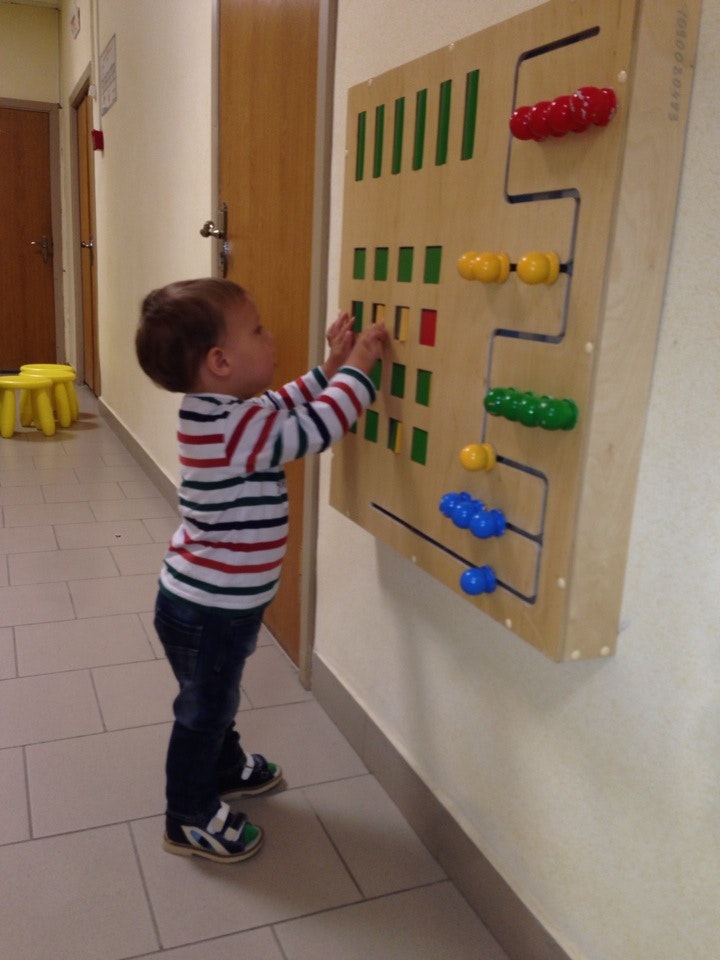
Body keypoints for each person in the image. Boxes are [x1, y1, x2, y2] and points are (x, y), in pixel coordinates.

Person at [135, 277, 387, 863]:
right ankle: (188, 817)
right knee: (204, 711)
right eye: (257, 330)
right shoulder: (234, 429)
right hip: (210, 610)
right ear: (220, 362)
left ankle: (223, 767)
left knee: (213, 699)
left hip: (205, 605)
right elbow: (316, 428)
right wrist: (359, 368)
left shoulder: (221, 413)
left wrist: (329, 369)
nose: (270, 338)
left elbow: (284, 404)